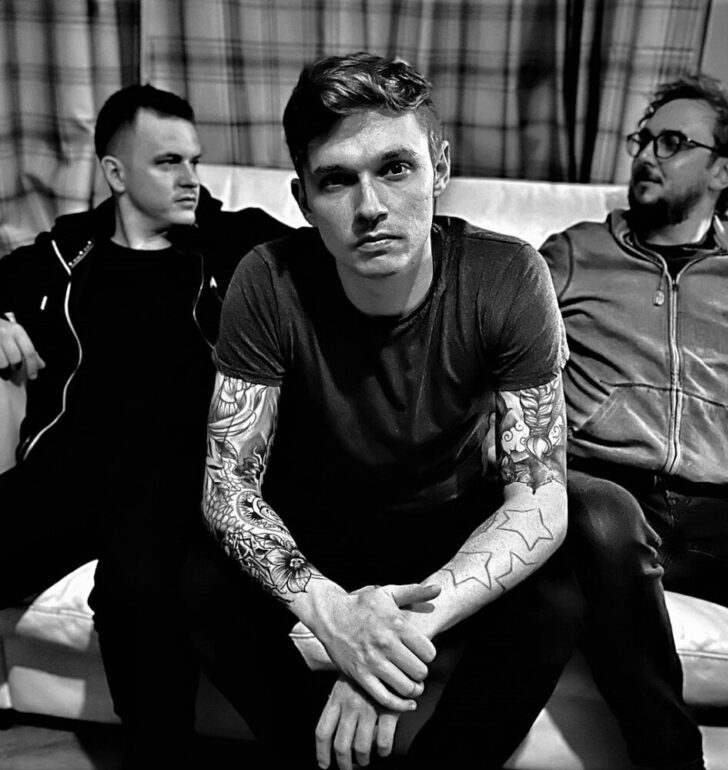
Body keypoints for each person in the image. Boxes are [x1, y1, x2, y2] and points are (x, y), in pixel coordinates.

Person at [180, 51, 582, 770]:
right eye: (337, 179)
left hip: (449, 522)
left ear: (440, 169)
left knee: (563, 583)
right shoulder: (267, 279)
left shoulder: (507, 274)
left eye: (395, 168)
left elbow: (539, 497)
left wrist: (392, 636)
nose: (370, 207)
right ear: (304, 198)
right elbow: (228, 487)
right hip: (322, 526)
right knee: (194, 577)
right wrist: (337, 618)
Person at [0, 84, 291, 767]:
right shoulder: (65, 254)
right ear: (115, 172)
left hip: (176, 479)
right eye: (168, 162)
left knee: (137, 591)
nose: (192, 177)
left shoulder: (235, 244)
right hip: (65, 471)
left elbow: (333, 259)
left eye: (194, 160)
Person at [540, 73, 728, 770]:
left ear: (725, 169)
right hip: (608, 493)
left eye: (672, 142)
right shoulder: (573, 251)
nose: (646, 155)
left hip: (727, 504)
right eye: (644, 139)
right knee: (598, 516)